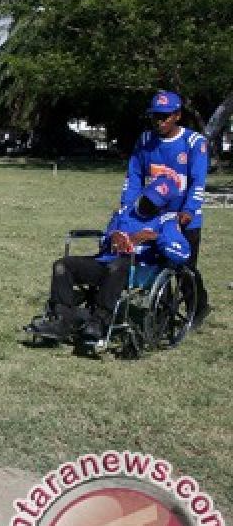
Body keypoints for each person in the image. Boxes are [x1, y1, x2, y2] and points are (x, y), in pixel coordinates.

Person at [29, 176, 190, 341]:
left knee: (117, 266)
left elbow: (182, 254)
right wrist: (112, 237)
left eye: (153, 204)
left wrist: (156, 237)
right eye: (146, 198)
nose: (146, 204)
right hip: (105, 261)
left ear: (162, 207)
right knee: (62, 265)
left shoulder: (167, 221)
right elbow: (106, 235)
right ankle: (61, 320)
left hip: (138, 269)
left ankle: (99, 321)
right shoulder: (124, 211)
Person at [120, 90, 211, 327]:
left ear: (177, 115)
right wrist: (127, 207)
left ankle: (197, 308)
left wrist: (189, 211)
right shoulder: (144, 141)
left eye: (165, 116)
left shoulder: (194, 143)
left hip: (184, 218)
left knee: (184, 266)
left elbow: (197, 182)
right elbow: (134, 176)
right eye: (155, 116)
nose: (159, 121)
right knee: (157, 263)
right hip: (155, 216)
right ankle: (163, 310)